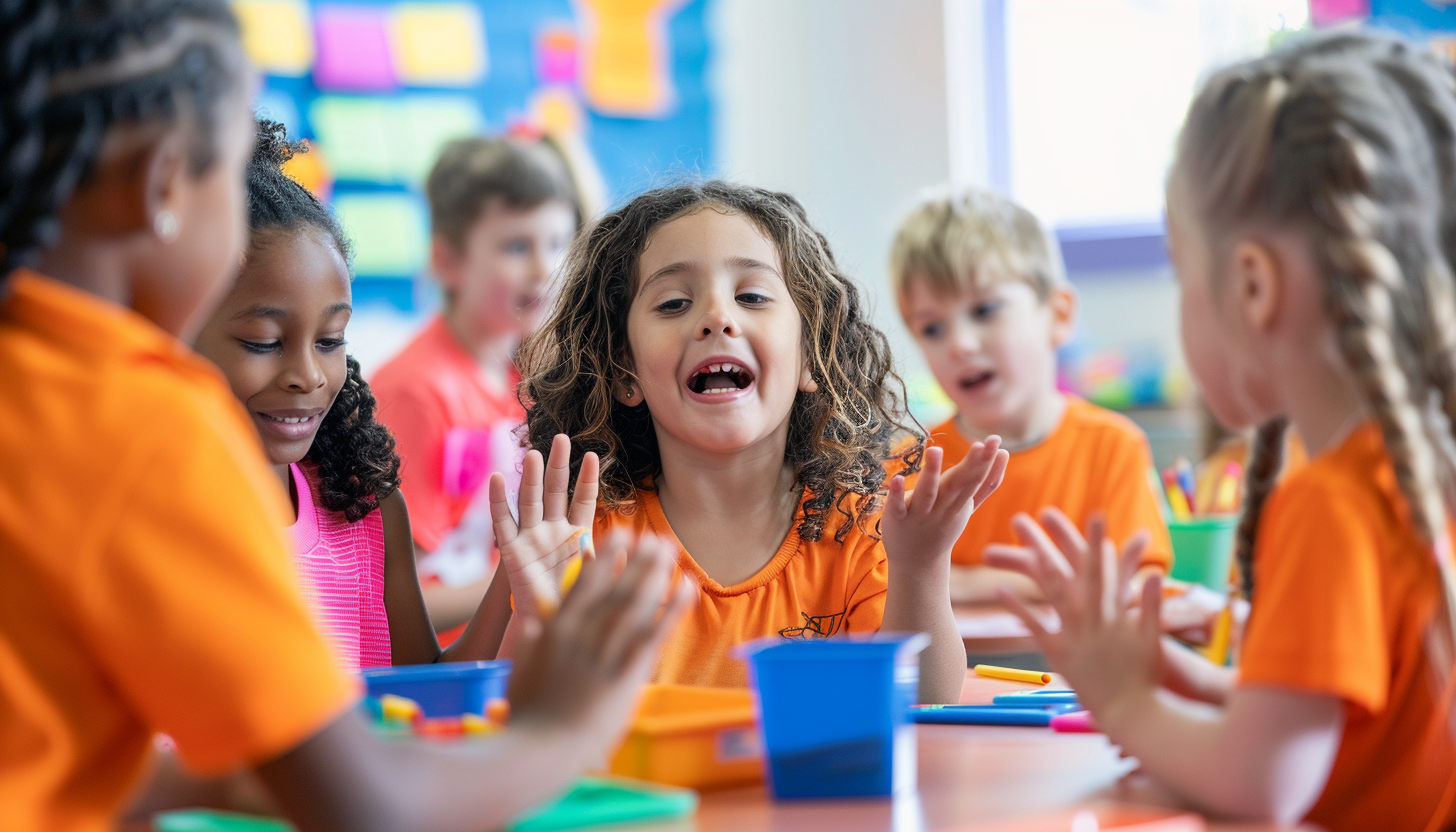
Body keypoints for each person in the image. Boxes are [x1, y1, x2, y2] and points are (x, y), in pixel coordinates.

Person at [0, 2, 690, 829]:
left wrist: (199, 785)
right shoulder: (138, 418)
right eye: (228, 182)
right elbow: (372, 809)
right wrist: (562, 725)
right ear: (165, 186)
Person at [986, 32, 1456, 831]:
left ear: (1251, 285)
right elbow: (1328, 722)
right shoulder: (1415, 475)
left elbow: (1265, 782)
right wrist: (1177, 678)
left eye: (1180, 267)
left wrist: (1124, 699)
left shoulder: (1329, 506)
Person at [489, 181, 1010, 702]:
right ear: (625, 371)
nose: (718, 318)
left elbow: (924, 702)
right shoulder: (590, 534)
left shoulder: (858, 525)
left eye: (752, 297)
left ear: (812, 355)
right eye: (673, 303)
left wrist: (921, 568)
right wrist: (539, 619)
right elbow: (518, 724)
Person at [193, 120, 500, 670]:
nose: (308, 375)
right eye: (264, 342)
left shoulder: (368, 515)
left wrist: (514, 585)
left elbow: (422, 699)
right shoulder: (141, 518)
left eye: (331, 340)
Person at [890, 189, 1171, 602]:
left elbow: (1139, 588)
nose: (960, 345)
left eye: (985, 311)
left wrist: (966, 584)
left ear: (1058, 315)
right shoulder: (910, 464)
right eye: (932, 328)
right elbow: (877, 586)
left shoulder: (1112, 448)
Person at [371, 136, 582, 639]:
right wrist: (528, 579)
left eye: (557, 243)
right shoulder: (417, 393)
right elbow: (387, 592)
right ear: (447, 261)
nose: (543, 268)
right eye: (516, 246)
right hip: (440, 672)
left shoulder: (528, 378)